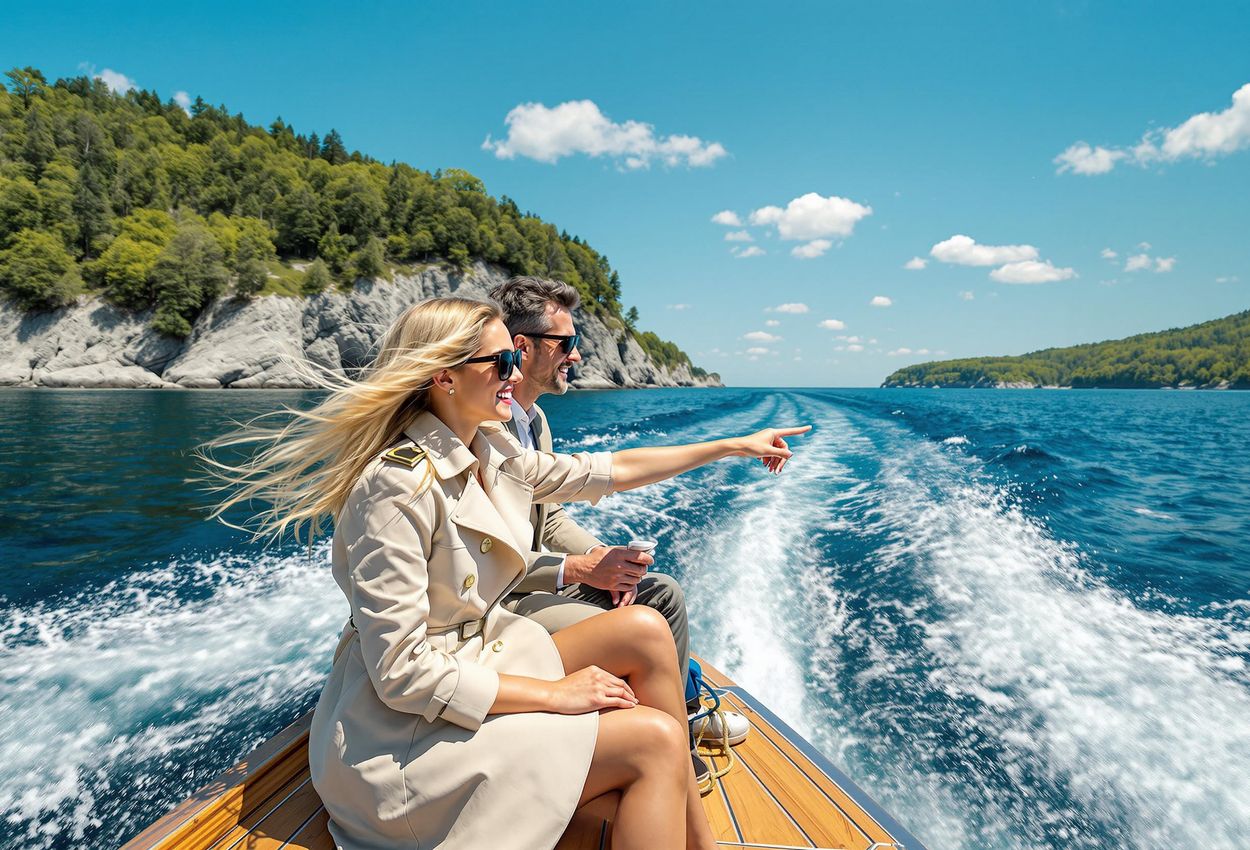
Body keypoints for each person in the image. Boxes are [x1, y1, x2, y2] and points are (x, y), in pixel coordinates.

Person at [204, 296, 809, 850]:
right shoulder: (394, 488)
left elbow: (605, 470)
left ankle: (699, 842)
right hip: (396, 741)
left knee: (647, 629)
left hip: (479, 657)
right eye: (501, 361)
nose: (516, 375)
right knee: (654, 739)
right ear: (444, 376)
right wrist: (555, 695)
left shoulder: (489, 445)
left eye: (517, 357)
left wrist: (733, 445)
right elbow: (402, 675)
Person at [490, 275, 751, 749]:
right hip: (499, 605)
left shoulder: (536, 422)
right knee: (638, 631)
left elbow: (547, 520)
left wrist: (604, 558)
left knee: (661, 592)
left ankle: (677, 716)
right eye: (567, 342)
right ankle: (658, 750)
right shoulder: (485, 430)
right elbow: (482, 560)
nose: (578, 355)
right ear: (523, 348)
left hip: (534, 582)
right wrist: (580, 569)